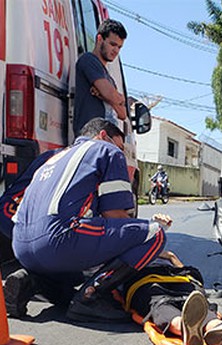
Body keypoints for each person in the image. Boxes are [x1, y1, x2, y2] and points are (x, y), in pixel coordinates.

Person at [7, 118, 169, 321]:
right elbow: (115, 215)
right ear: (103, 135)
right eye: (119, 145)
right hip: (56, 240)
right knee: (154, 234)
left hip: (21, 247)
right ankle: (90, 298)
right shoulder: (106, 150)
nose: (121, 153)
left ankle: (32, 281)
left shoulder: (54, 157)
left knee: (75, 275)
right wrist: (144, 244)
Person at [122, 251, 222, 345]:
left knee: (192, 303)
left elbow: (184, 268)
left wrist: (169, 256)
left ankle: (213, 329)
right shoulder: (127, 256)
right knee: (161, 303)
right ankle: (198, 328)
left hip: (178, 278)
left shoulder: (164, 253)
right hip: (146, 281)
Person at [73, 19, 128, 135]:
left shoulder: (109, 78)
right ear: (99, 39)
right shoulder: (88, 60)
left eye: (119, 47)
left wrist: (104, 96)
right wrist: (114, 98)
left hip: (106, 137)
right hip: (90, 136)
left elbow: (123, 114)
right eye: (113, 44)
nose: (116, 50)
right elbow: (112, 95)